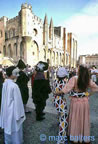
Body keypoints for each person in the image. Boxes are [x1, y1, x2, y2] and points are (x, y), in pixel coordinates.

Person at [55, 65, 98, 144]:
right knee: (84, 119)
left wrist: (57, 92)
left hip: (75, 102)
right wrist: (88, 94)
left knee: (75, 118)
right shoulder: (87, 79)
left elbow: (66, 89)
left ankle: (74, 138)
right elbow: (96, 88)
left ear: (79, 71)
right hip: (84, 102)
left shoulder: (74, 78)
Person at [0, 66, 26, 144]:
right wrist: (20, 114)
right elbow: (18, 102)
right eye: (16, 73)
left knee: (8, 126)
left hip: (6, 110)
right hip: (14, 112)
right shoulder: (14, 86)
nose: (17, 75)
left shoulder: (5, 84)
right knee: (15, 129)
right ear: (11, 74)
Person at [52, 67, 68, 144]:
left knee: (60, 117)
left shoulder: (55, 81)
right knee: (63, 120)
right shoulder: (64, 83)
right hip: (61, 102)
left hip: (56, 101)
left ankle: (61, 136)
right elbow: (66, 92)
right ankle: (61, 139)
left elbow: (54, 91)